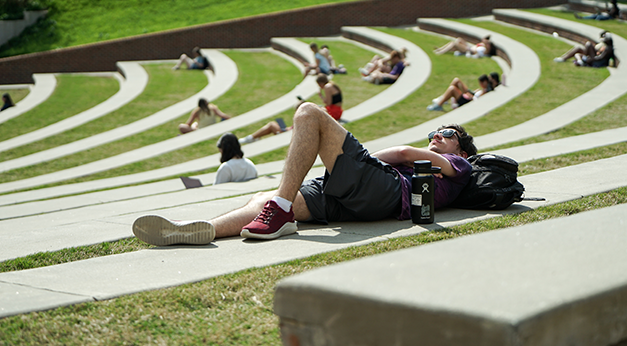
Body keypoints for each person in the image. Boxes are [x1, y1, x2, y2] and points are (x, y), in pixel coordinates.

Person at [132, 102, 477, 245]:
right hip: (365, 197)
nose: (436, 136)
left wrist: (355, 160)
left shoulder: (460, 166)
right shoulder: (425, 163)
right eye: (434, 131)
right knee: (263, 199)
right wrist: (346, 162)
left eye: (447, 135)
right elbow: (384, 157)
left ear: (461, 151)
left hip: (385, 191)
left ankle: (279, 210)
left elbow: (400, 152)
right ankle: (205, 229)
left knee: (309, 112)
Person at [427, 74, 493, 112]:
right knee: (456, 80)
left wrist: (471, 95)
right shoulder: (485, 89)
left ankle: (439, 105)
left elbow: (477, 100)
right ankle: (443, 99)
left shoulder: (486, 91)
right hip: (472, 94)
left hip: (469, 100)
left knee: (452, 89)